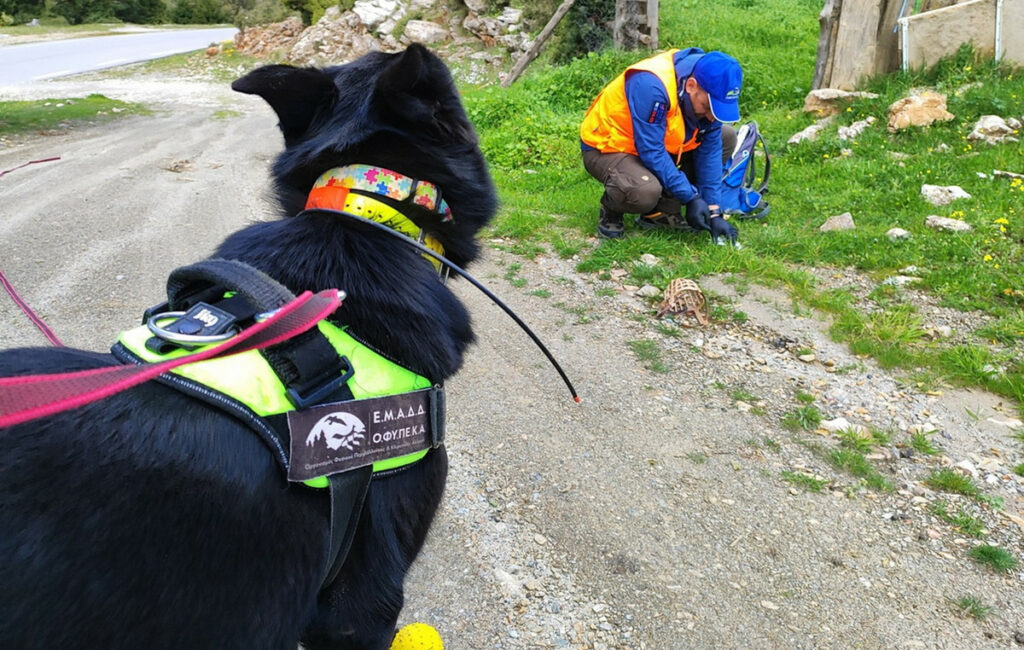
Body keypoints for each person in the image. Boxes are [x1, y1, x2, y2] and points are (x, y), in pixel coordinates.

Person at [580, 47, 743, 244]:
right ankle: (612, 207)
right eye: (707, 108)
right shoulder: (650, 84)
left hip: (653, 144)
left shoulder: (707, 86)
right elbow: (651, 151)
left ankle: (661, 213)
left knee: (726, 137)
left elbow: (709, 153)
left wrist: (713, 209)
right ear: (691, 86)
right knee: (643, 191)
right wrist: (691, 197)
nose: (711, 117)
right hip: (609, 147)